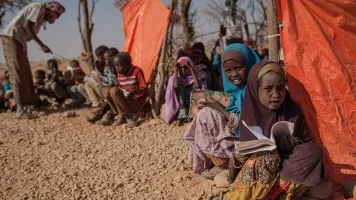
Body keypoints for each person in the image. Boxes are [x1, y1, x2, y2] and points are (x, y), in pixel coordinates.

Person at [224, 61, 323, 200]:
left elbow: (307, 142)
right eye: (268, 88)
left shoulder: (292, 111)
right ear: (255, 89)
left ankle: (277, 192)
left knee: (313, 152)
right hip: (257, 177)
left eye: (280, 88)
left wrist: (291, 146)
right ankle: (260, 194)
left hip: (285, 171)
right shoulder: (249, 116)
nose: (276, 94)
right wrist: (238, 157)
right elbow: (241, 157)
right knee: (266, 156)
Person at [183, 43, 260, 178]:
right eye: (228, 71)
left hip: (256, 144)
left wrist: (220, 109)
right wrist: (215, 107)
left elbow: (253, 126)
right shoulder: (235, 93)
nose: (234, 74)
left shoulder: (260, 89)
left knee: (208, 114)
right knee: (205, 114)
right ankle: (223, 162)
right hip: (239, 141)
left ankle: (230, 164)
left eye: (238, 68)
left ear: (249, 64)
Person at [0, 1, 65, 118]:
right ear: (50, 10)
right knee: (17, 72)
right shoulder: (39, 7)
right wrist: (42, 45)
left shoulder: (40, 13)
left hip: (19, 40)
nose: (49, 19)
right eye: (52, 16)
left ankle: (27, 106)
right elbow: (26, 25)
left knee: (24, 73)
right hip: (12, 37)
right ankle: (20, 109)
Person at [108, 52, 149, 126]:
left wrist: (134, 92)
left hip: (137, 101)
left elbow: (145, 90)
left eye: (120, 66)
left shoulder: (136, 71)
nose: (117, 69)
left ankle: (128, 117)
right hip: (126, 101)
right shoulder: (119, 74)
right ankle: (123, 115)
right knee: (112, 91)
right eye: (115, 66)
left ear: (128, 64)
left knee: (115, 91)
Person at [163, 57, 200, 125]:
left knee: (193, 91)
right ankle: (182, 117)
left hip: (191, 105)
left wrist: (190, 68)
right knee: (181, 91)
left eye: (185, 68)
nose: (183, 69)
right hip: (181, 106)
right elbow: (176, 85)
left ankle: (190, 116)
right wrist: (176, 70)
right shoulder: (174, 78)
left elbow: (197, 86)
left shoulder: (193, 78)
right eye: (181, 68)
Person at [89, 47, 120, 125]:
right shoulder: (108, 67)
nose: (106, 61)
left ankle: (108, 115)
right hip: (111, 87)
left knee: (111, 94)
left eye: (107, 59)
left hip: (120, 91)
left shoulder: (120, 67)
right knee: (109, 94)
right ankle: (102, 114)